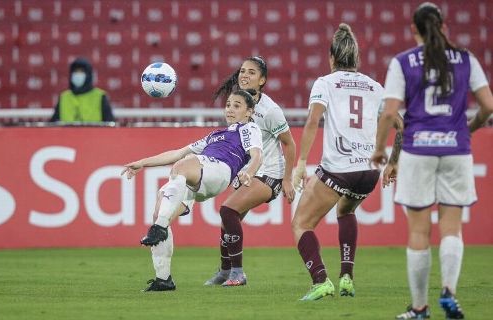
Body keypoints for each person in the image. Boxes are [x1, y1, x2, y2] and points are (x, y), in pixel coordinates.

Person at [371, 2, 493, 319]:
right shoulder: (467, 59)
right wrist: (471, 127)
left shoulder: (403, 62)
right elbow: (488, 105)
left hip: (417, 151)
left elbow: (389, 112)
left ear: (414, 29)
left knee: (419, 232)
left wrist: (380, 149)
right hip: (457, 150)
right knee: (452, 227)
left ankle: (420, 307)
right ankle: (450, 290)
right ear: (443, 26)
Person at [121, 89, 263, 291]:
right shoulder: (215, 135)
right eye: (228, 104)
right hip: (200, 178)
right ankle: (164, 279)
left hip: (219, 169)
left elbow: (257, 155)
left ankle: (159, 228)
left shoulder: (248, 129)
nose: (230, 109)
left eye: (237, 105)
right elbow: (177, 152)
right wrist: (142, 163)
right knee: (160, 209)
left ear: (249, 112)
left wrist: (249, 172)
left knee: (182, 166)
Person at [290, 23, 384, 301]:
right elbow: (400, 124)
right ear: (357, 58)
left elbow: (312, 120)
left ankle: (321, 280)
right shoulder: (375, 86)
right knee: (345, 211)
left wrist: (301, 163)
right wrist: (393, 162)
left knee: (301, 224)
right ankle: (347, 278)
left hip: (339, 168)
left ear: (332, 57)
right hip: (369, 171)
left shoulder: (325, 83)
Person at [202, 56, 297, 287]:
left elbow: (290, 144)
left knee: (227, 210)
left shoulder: (271, 111)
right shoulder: (238, 102)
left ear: (262, 80)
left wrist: (287, 180)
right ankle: (225, 272)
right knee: (227, 222)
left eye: (252, 72)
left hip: (270, 174)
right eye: (243, 70)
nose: (244, 75)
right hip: (249, 173)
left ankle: (237, 273)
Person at [50, 57, 114, 122]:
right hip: (68, 132)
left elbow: (109, 124)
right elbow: (52, 124)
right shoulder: (64, 97)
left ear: (88, 75)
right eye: (75, 72)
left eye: (81, 72)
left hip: (92, 132)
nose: (78, 75)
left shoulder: (100, 97)